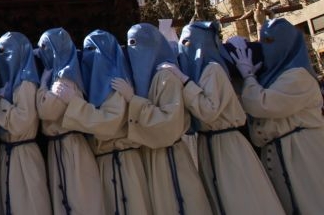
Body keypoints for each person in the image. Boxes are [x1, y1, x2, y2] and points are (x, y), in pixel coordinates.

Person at [159, 21, 284, 215]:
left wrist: (184, 81)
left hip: (227, 145)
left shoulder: (213, 70)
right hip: (208, 145)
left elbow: (209, 111)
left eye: (188, 42)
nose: (185, 48)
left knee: (239, 197)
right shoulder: (199, 72)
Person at [231, 18, 324, 214]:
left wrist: (248, 77)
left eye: (270, 42)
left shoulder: (298, 76)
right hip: (278, 156)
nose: (265, 47)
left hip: (302, 153)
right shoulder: (269, 78)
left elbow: (262, 104)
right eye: (262, 41)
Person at [118, 23, 211, 214]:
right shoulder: (143, 79)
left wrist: (133, 100)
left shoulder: (165, 76)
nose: (133, 49)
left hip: (171, 157)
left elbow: (169, 123)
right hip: (153, 159)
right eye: (130, 44)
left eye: (136, 43)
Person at [57, 29, 152, 215]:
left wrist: (74, 103)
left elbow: (108, 124)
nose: (89, 56)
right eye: (87, 50)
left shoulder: (116, 83)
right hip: (104, 163)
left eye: (93, 50)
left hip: (123, 163)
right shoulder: (94, 84)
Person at [36, 28, 104, 215]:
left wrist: (42, 86)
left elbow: (47, 111)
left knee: (77, 201)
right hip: (60, 148)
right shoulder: (59, 78)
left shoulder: (65, 79)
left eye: (45, 47)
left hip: (71, 149)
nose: (41, 52)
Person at [0, 31, 50, 215]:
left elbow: (22, 122)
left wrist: (1, 102)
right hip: (9, 155)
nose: (1, 57)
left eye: (6, 52)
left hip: (24, 157)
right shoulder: (9, 83)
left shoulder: (26, 83)